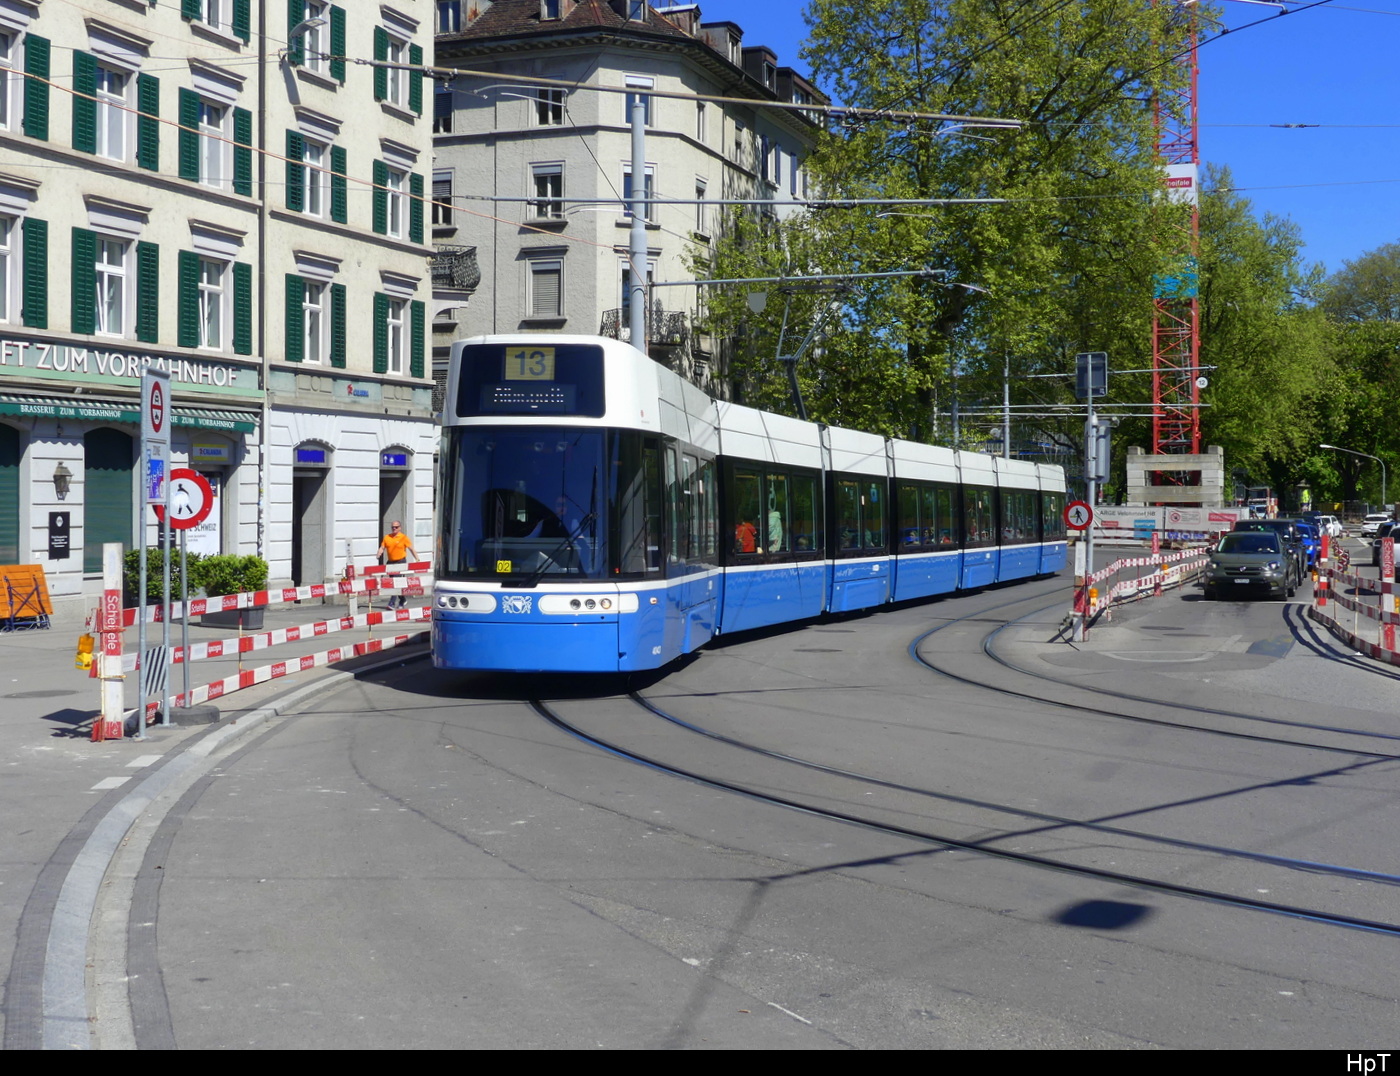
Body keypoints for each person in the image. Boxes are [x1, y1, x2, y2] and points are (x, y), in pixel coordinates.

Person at [376, 521, 417, 609]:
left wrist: (417, 559)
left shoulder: (404, 538)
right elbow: (382, 547)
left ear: (400, 528)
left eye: (396, 527)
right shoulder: (387, 537)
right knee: (393, 583)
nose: (394, 528)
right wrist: (379, 553)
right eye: (393, 527)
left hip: (400, 562)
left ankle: (391, 603)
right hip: (390, 562)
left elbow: (411, 549)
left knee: (396, 582)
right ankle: (402, 599)